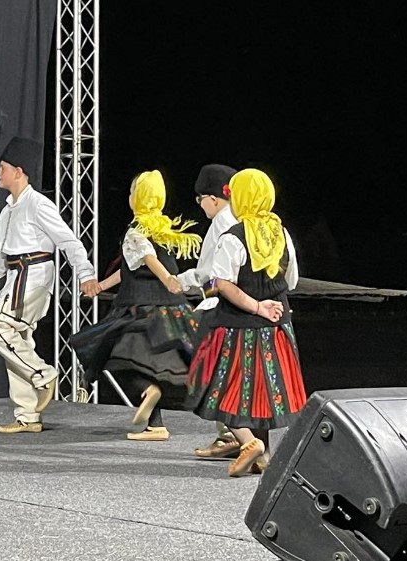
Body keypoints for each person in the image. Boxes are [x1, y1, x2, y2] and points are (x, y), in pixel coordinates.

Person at [0, 136, 99, 434]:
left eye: (2, 167)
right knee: (17, 342)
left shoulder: (38, 204)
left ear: (19, 171)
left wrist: (85, 274)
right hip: (16, 278)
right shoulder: (7, 211)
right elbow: (4, 258)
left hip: (34, 278)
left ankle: (43, 373)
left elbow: (68, 240)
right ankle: (28, 415)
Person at [185, 168, 305, 477]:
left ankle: (249, 443)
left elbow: (223, 283)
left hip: (239, 325)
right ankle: (263, 457)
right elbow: (290, 281)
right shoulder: (282, 233)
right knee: (263, 392)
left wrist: (256, 305)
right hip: (277, 327)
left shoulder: (233, 238)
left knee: (221, 386)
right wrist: (269, 303)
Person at [71, 170, 202, 441]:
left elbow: (148, 257)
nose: (129, 197)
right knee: (151, 365)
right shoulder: (163, 229)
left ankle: (146, 391)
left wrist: (167, 279)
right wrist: (102, 286)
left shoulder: (136, 230)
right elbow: (133, 265)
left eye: (132, 192)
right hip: (168, 308)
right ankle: (156, 424)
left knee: (110, 356)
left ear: (138, 198)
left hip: (140, 306)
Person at [176, 164, 242, 458]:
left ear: (212, 198)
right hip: (243, 306)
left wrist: (179, 280)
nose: (201, 206)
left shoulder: (221, 222)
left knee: (213, 369)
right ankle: (241, 434)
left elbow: (207, 272)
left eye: (200, 199)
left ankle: (230, 434)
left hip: (219, 304)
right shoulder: (244, 219)